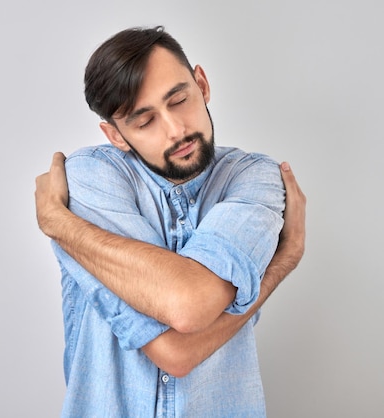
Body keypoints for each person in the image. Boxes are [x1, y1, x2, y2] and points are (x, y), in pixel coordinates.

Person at [34, 26, 306, 417]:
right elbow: (178, 347)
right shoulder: (87, 178)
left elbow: (188, 307)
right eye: (145, 122)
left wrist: (59, 223)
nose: (176, 130)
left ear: (202, 83)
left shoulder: (255, 177)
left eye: (179, 100)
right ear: (116, 135)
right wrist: (282, 262)